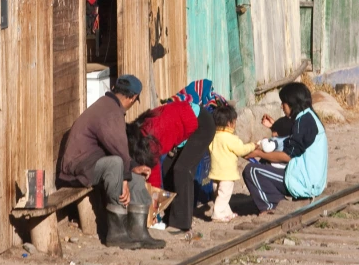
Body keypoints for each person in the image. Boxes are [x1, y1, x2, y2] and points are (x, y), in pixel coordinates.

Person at [58, 74, 165, 250]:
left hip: (91, 163)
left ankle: (139, 232)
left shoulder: (109, 106)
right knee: (116, 164)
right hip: (77, 168)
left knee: (136, 179)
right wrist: (124, 177)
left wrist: (132, 169)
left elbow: (117, 149)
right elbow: (118, 150)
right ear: (132, 98)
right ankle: (117, 234)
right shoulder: (110, 112)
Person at [129, 100, 216, 232]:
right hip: (186, 125)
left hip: (201, 124)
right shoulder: (140, 132)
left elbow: (154, 179)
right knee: (168, 168)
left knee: (182, 170)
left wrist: (153, 213)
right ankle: (170, 217)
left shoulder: (149, 139)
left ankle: (181, 223)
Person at [242, 82, 328, 214]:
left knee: (252, 171)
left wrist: (258, 153)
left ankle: (273, 206)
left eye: (284, 103)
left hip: (304, 182)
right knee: (265, 163)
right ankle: (275, 199)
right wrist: (273, 127)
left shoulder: (303, 122)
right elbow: (290, 137)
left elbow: (287, 156)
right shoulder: (308, 117)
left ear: (292, 103)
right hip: (310, 179)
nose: (282, 107)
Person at [207, 105, 256, 223]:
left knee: (220, 195)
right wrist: (253, 145)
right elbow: (241, 150)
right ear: (229, 123)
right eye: (234, 122)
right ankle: (217, 214)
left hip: (215, 173)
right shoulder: (231, 138)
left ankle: (226, 212)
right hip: (227, 174)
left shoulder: (213, 137)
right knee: (224, 194)